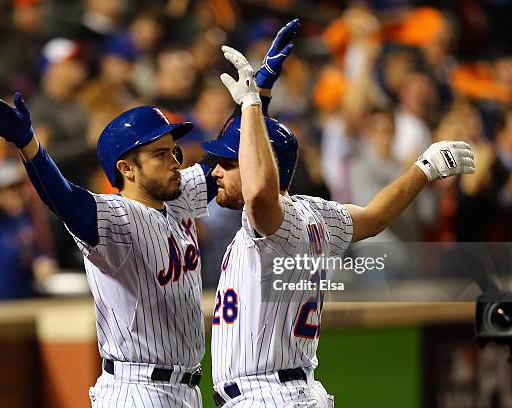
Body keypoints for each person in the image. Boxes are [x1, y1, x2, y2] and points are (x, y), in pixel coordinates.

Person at [0, 19, 299, 408]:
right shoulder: (116, 217)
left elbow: (234, 155)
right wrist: (30, 146)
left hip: (183, 390)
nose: (175, 160)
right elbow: (64, 200)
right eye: (160, 153)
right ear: (127, 168)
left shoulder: (178, 196)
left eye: (174, 150)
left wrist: (258, 93)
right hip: (135, 389)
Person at [204, 47, 475, 407]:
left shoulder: (271, 220)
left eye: (227, 162)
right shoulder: (315, 215)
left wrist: (254, 102)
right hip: (288, 391)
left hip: (265, 396)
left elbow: (258, 190)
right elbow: (376, 217)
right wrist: (423, 168)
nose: (215, 171)